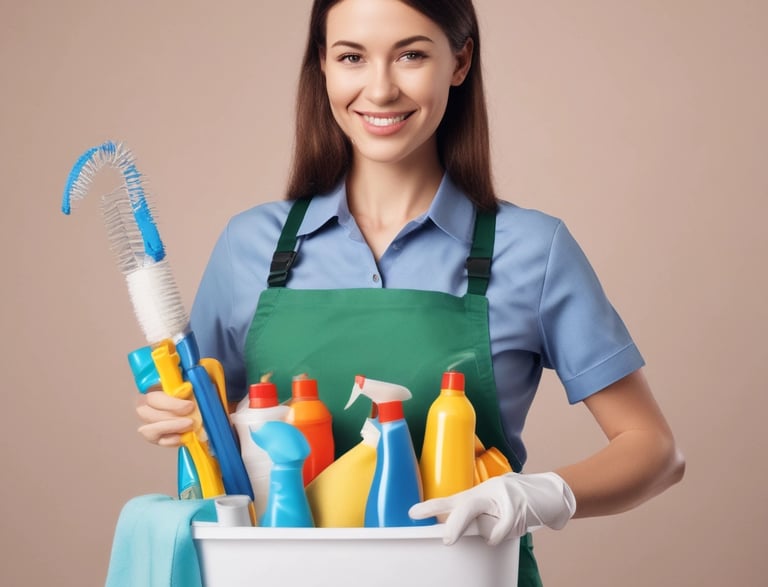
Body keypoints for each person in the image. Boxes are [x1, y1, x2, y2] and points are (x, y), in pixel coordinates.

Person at [136, 0, 685, 584]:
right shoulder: (250, 246)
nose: (380, 89)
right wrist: (181, 416)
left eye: (411, 55)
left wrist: (537, 495)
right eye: (352, 57)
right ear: (322, 65)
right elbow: (214, 440)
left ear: (459, 61)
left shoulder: (533, 249)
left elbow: (654, 450)